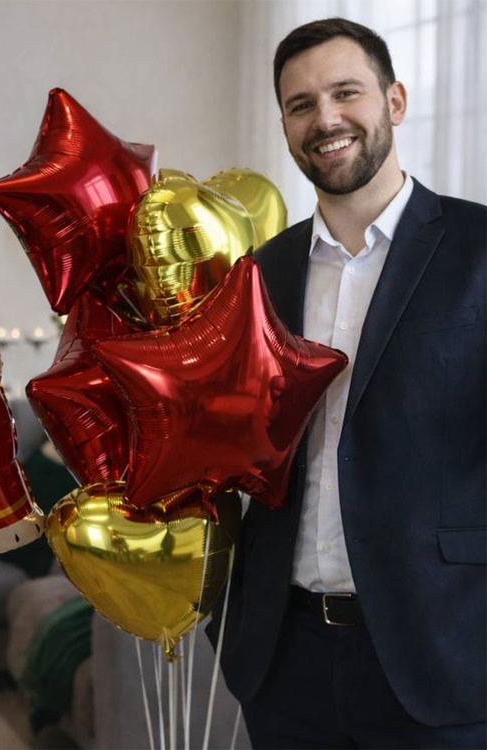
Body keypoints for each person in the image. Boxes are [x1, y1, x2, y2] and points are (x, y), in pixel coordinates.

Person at [208, 17, 486, 749]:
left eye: (345, 92)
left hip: (444, 660)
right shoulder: (260, 275)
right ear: (285, 127)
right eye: (301, 105)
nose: (325, 119)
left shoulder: (480, 249)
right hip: (284, 660)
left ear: (394, 100)